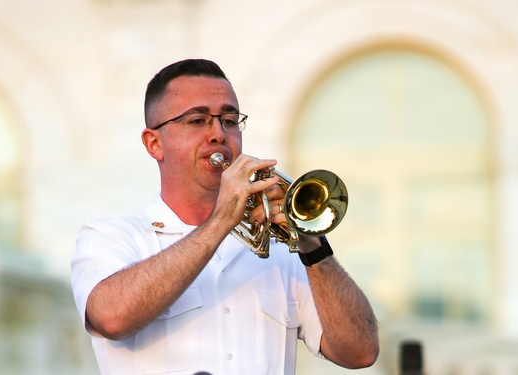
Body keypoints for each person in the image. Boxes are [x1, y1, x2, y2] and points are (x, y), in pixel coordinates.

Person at [71, 58, 379, 375]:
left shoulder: (282, 255)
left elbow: (360, 351)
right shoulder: (111, 237)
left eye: (229, 120)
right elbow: (111, 317)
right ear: (154, 143)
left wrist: (313, 245)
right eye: (196, 120)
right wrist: (220, 221)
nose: (218, 133)